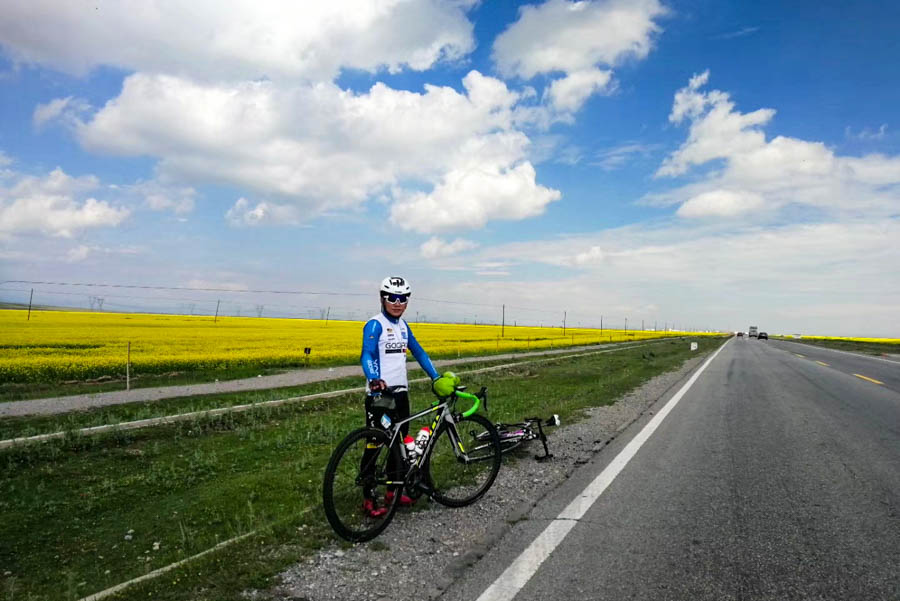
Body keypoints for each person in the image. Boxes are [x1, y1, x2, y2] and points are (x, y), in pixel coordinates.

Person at [359, 276, 441, 518]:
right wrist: (374, 378)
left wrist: (436, 377)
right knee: (374, 444)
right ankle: (368, 497)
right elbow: (367, 354)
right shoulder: (374, 325)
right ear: (382, 298)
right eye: (392, 298)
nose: (397, 303)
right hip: (380, 396)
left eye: (403, 298)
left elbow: (420, 353)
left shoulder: (404, 326)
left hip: (401, 393)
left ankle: (393, 493)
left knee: (400, 443)